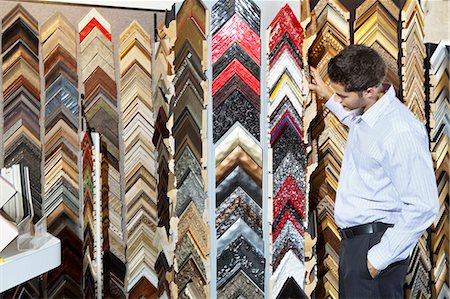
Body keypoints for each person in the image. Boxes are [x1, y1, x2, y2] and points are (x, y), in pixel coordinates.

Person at [309, 44, 439, 298]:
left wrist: (376, 260)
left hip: (375, 247)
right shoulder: (369, 114)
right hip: (358, 246)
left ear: (368, 91)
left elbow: (424, 205)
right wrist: (329, 96)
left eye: (343, 96)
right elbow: (361, 126)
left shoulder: (400, 131)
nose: (340, 101)